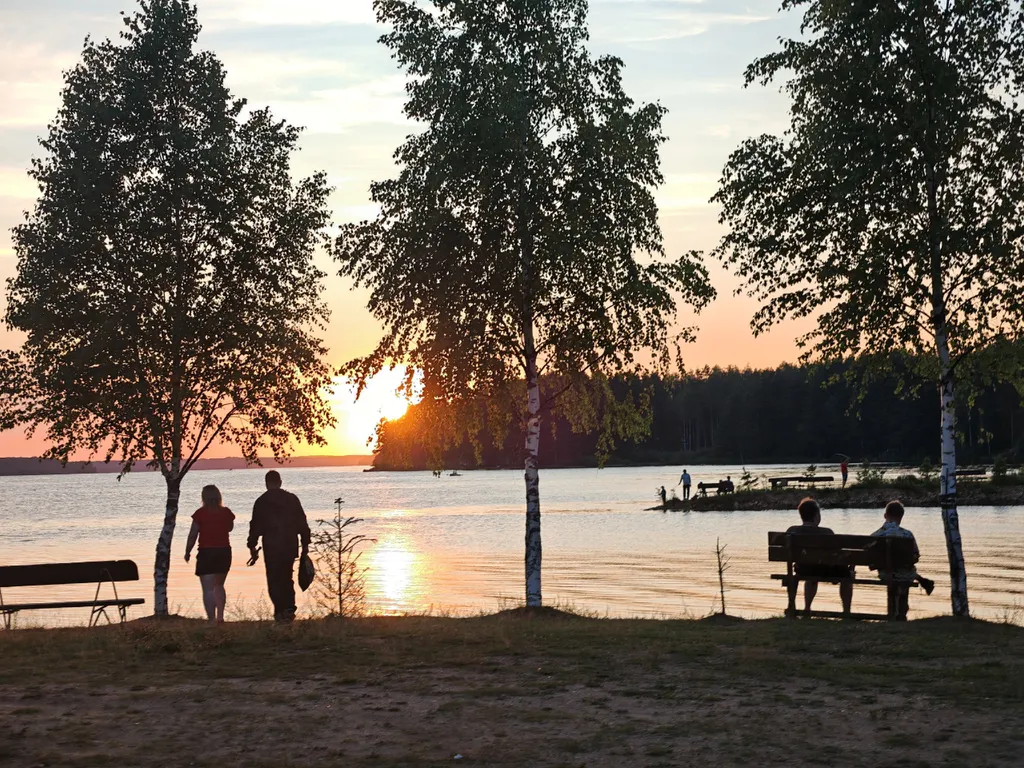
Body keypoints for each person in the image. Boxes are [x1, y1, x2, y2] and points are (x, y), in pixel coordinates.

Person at [247, 470, 311, 623]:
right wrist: (305, 544)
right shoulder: (292, 499)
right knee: (287, 577)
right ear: (280, 482)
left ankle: (280, 611)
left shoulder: (261, 502)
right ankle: (288, 609)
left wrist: (252, 546)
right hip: (289, 544)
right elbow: (302, 522)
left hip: (271, 546)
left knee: (274, 579)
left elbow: (255, 526)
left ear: (266, 483)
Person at [785, 497, 853, 614]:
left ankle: (806, 608)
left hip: (803, 569)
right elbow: (837, 554)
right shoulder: (827, 532)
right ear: (816, 516)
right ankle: (846, 611)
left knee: (810, 572)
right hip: (824, 570)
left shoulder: (792, 531)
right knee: (848, 574)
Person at [870, 500, 932, 619]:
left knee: (897, 574)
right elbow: (915, 556)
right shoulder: (907, 535)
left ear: (885, 516)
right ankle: (901, 611)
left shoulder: (875, 535)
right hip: (905, 574)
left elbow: (870, 560)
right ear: (901, 517)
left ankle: (895, 611)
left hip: (884, 574)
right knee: (905, 572)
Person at [184, 484, 234, 625]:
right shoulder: (226, 512)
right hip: (224, 551)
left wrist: (188, 550)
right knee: (219, 585)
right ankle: (220, 617)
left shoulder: (200, 514)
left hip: (206, 552)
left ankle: (211, 619)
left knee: (207, 588)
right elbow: (229, 528)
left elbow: (193, 534)